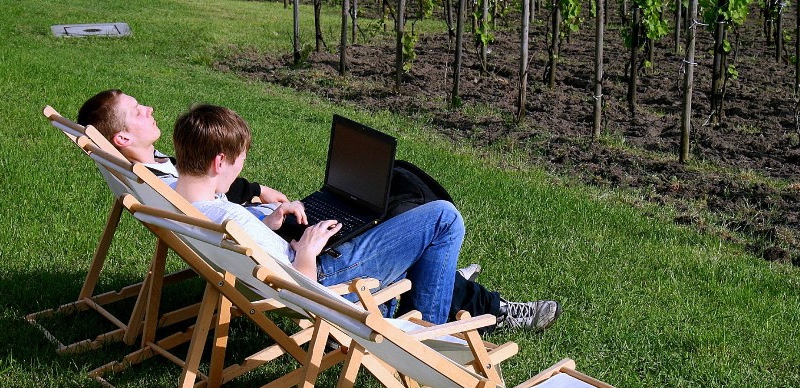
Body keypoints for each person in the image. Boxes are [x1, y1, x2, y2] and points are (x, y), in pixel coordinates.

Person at [77, 91, 560, 330]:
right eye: (136, 111)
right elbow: (303, 288)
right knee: (440, 218)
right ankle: (433, 325)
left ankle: (435, 274)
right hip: (322, 277)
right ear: (220, 161)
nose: (147, 112)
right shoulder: (223, 214)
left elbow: (238, 226)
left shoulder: (178, 195)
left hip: (274, 248)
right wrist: (307, 246)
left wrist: (267, 219)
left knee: (392, 189)